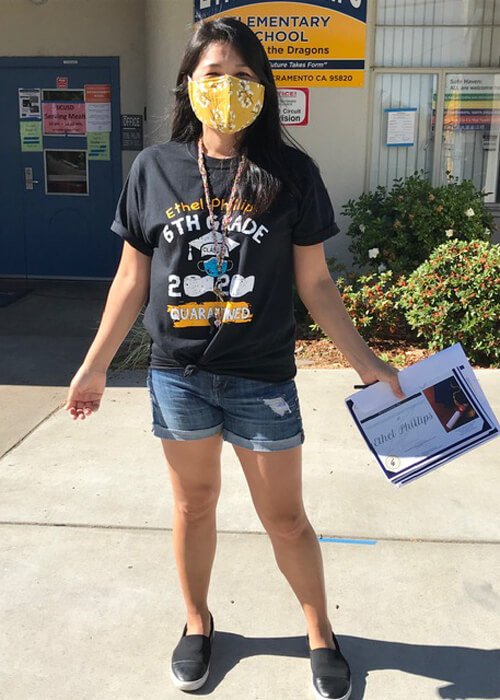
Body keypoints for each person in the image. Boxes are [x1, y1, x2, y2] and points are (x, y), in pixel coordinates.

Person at [64, 17, 404, 700]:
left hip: (262, 377)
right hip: (178, 375)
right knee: (194, 506)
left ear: (264, 87)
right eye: (213, 73)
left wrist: (370, 364)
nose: (227, 87)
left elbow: (315, 283)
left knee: (286, 518)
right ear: (188, 84)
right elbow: (132, 278)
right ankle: (197, 623)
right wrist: (95, 361)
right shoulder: (153, 168)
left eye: (244, 75)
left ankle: (319, 632)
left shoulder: (290, 173)